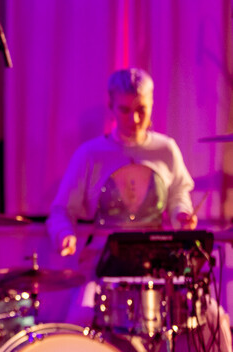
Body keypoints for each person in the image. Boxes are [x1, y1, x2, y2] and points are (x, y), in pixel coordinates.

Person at [47, 67, 231, 351]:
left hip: (159, 263)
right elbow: (61, 211)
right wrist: (64, 235)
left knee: (214, 319)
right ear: (111, 106)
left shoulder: (166, 149)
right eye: (124, 110)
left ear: (151, 105)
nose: (133, 119)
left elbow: (178, 195)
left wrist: (181, 214)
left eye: (141, 110)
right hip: (104, 266)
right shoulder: (90, 154)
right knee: (78, 323)